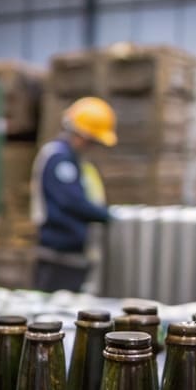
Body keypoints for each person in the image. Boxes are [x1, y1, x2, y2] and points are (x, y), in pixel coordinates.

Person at [30, 96, 116, 293]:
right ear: (84, 134)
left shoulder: (75, 160)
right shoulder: (59, 158)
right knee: (53, 317)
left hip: (73, 253)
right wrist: (104, 215)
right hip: (57, 254)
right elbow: (71, 201)